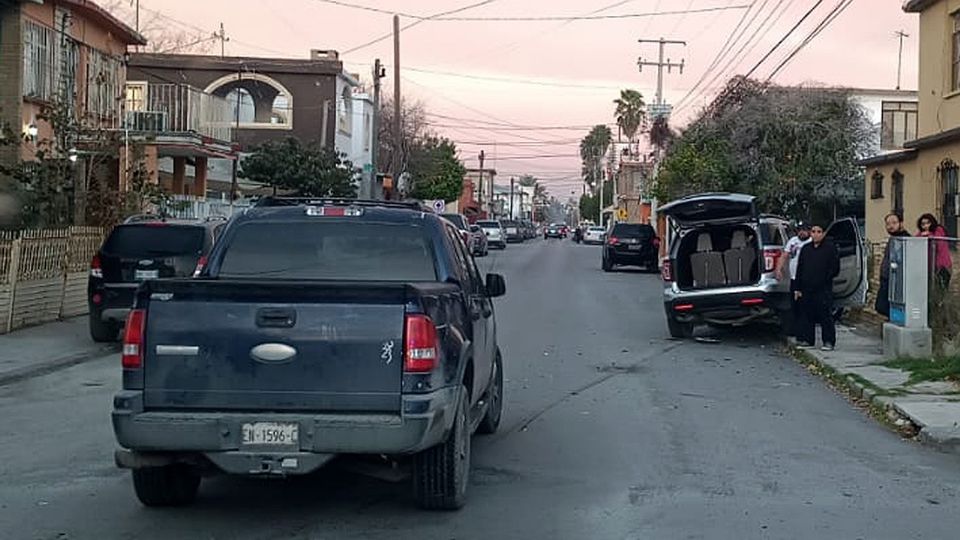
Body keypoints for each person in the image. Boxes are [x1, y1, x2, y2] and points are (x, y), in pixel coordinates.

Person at [795, 223, 841, 351]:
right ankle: (808, 340)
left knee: (825, 315)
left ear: (823, 233)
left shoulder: (830, 248)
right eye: (813, 231)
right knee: (807, 314)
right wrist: (798, 288)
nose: (815, 234)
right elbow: (800, 268)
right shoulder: (806, 249)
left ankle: (828, 341)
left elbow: (835, 268)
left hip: (823, 288)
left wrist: (825, 279)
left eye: (819, 231)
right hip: (806, 287)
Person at [776, 222, 812, 341]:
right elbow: (784, 255)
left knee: (806, 306)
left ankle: (806, 332)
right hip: (794, 278)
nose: (802, 232)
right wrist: (779, 269)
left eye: (805, 230)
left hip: (807, 279)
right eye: (800, 230)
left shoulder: (811, 242)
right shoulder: (793, 241)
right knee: (794, 306)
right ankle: (796, 330)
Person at [875, 213, 911, 318]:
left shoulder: (904, 239)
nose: (891, 226)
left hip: (895, 278)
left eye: (894, 223)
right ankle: (894, 319)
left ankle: (898, 320)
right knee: (882, 305)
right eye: (888, 224)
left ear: (901, 223)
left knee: (884, 306)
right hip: (887, 277)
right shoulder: (893, 238)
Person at [917, 213, 952, 291]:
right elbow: (915, 241)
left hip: (942, 266)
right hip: (929, 266)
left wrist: (929, 235)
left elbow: (940, 244)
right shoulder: (921, 233)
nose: (926, 226)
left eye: (928, 223)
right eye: (923, 224)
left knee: (941, 289)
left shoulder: (939, 230)